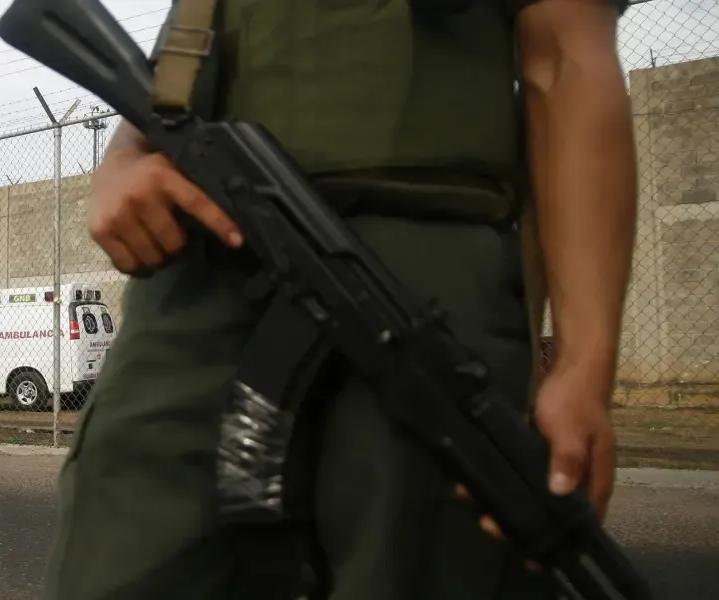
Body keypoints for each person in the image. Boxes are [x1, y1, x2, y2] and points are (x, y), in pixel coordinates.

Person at [42, 0, 637, 598]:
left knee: (410, 564)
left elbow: (566, 56)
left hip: (418, 283)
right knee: (120, 562)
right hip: (201, 252)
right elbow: (188, 45)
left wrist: (583, 370)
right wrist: (125, 155)